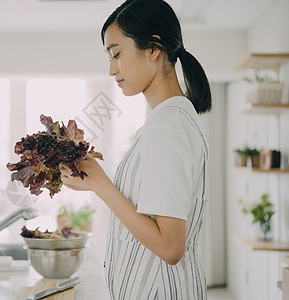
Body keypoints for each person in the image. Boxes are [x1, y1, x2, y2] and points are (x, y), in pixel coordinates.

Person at [58, 0, 212, 299]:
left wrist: (102, 185)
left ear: (153, 48)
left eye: (116, 54)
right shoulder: (168, 120)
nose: (112, 68)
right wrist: (95, 183)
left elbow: (170, 247)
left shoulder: (167, 125)